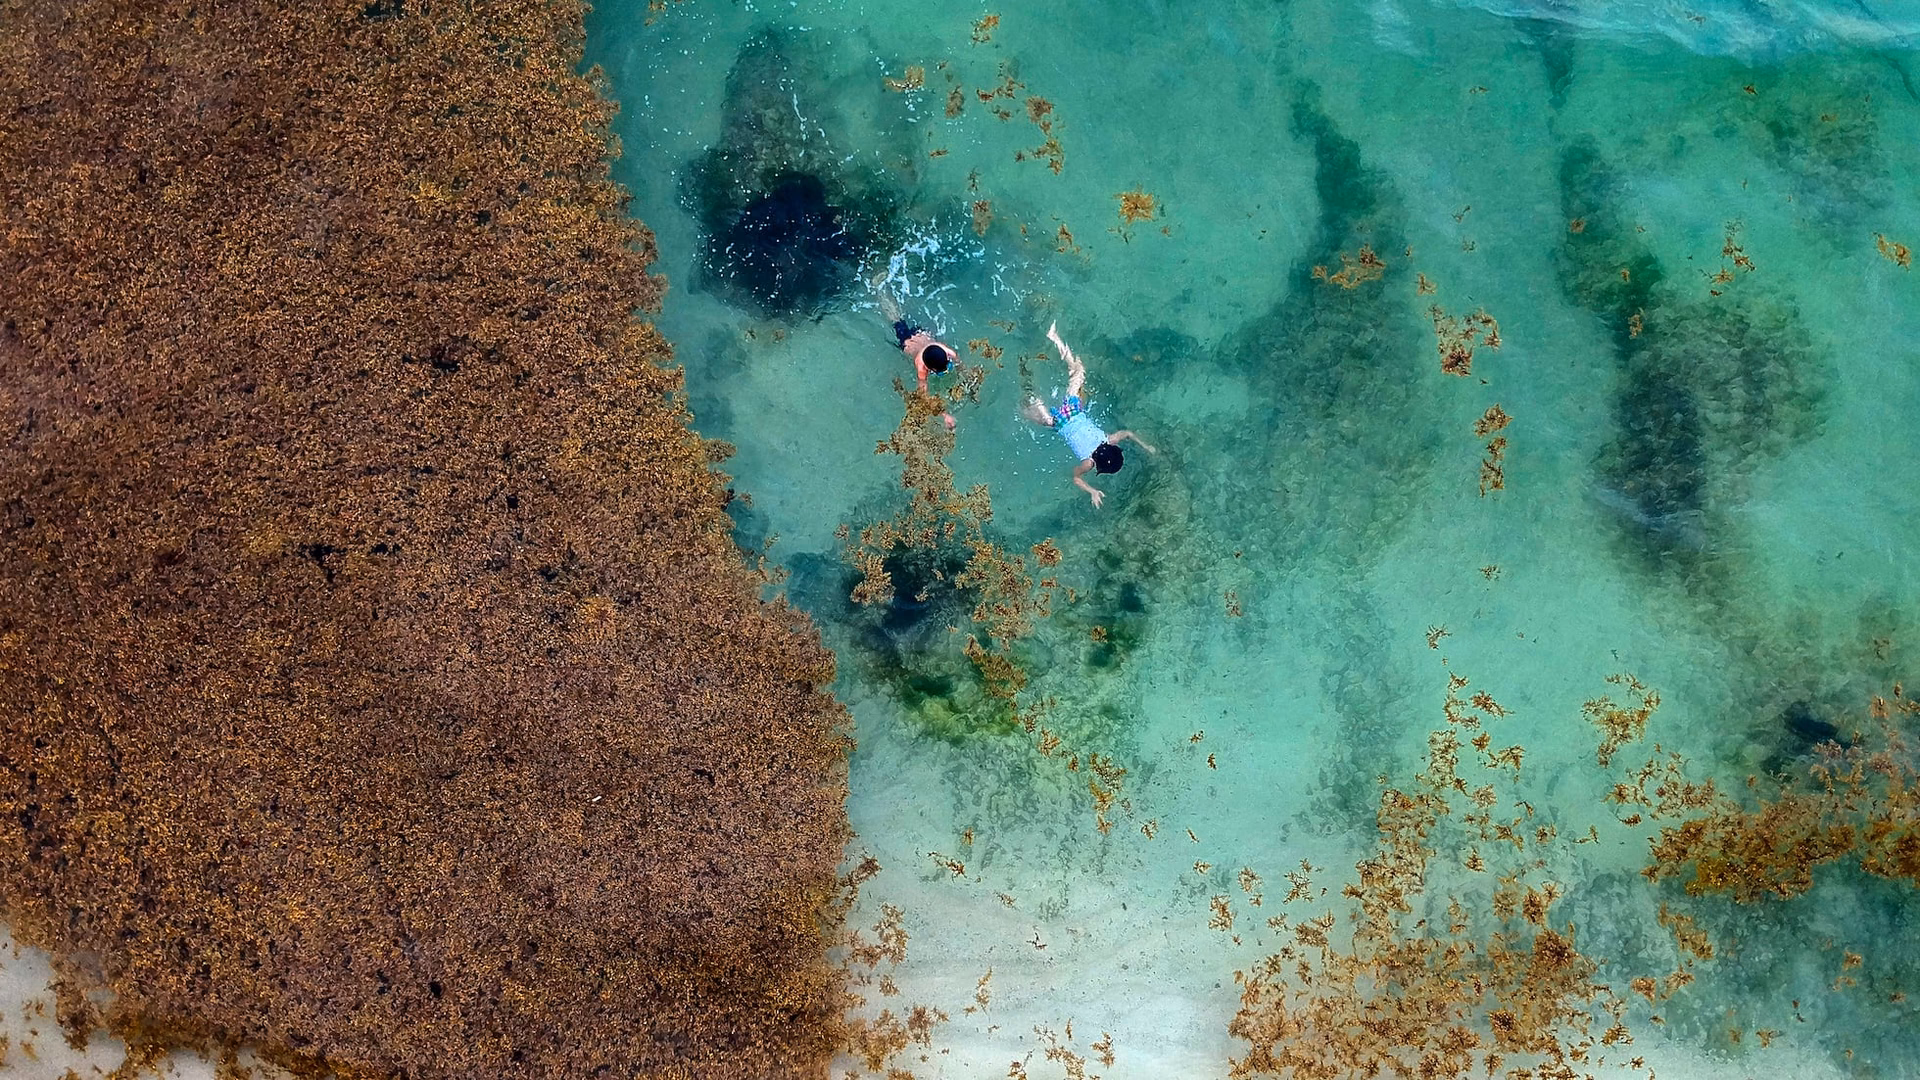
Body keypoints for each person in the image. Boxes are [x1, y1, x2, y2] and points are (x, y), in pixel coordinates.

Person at [1022, 321, 1155, 508]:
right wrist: (1092, 491)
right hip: (1058, 422)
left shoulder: (1109, 439)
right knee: (1030, 408)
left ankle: (1054, 338)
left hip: (1073, 410)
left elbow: (1128, 433)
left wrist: (1146, 446)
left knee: (1078, 371)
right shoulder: (1088, 463)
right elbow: (1075, 477)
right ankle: (1025, 378)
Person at [875, 280, 957, 430]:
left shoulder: (947, 352)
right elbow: (923, 395)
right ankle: (880, 290)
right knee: (896, 320)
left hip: (921, 334)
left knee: (902, 319)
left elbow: (960, 363)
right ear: (929, 369)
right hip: (907, 340)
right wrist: (944, 415)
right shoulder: (921, 366)